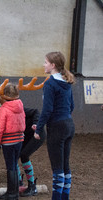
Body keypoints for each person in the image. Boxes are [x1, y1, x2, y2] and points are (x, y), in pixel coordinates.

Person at [34, 52, 75, 200]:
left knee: (57, 168)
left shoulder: (50, 83)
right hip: (69, 125)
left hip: (57, 128)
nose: (43, 65)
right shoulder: (67, 81)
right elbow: (72, 106)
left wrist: (38, 128)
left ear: (53, 65)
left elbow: (47, 109)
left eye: (45, 62)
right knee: (65, 166)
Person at [0, 101, 46, 197]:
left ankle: (32, 186)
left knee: (24, 155)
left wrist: (35, 124)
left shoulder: (16, 110)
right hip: (23, 136)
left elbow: (35, 111)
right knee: (15, 157)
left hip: (36, 134)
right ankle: (18, 183)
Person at [0, 83, 26, 200]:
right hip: (19, 139)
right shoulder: (20, 105)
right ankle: (14, 192)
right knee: (14, 165)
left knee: (10, 167)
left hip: (8, 141)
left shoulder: (4, 109)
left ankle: (11, 193)